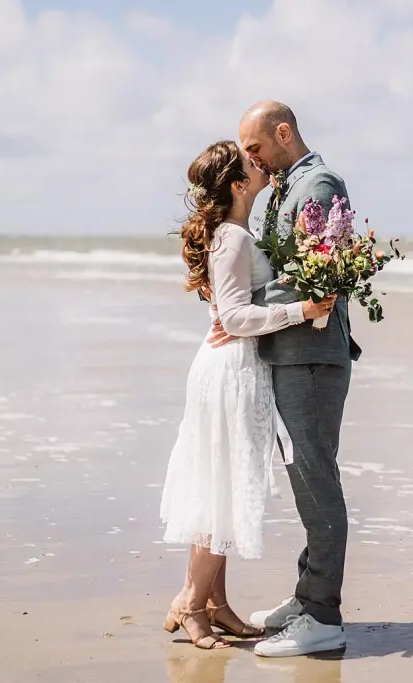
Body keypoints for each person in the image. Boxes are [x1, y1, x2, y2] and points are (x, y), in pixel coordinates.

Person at [159, 140, 336, 650]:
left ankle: (216, 603)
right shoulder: (234, 237)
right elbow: (235, 318)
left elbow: (232, 307)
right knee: (222, 488)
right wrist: (302, 310)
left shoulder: (235, 233)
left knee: (222, 482)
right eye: (250, 164)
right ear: (238, 185)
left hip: (230, 366)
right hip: (230, 369)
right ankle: (191, 604)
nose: (259, 165)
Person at [209, 101, 362, 658]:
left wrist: (238, 305)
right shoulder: (282, 188)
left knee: (316, 481)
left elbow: (313, 277)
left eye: (255, 148)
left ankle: (323, 615)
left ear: (283, 133)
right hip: (290, 353)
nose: (250, 159)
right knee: (306, 481)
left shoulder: (318, 184)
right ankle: (307, 597)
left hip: (313, 357)